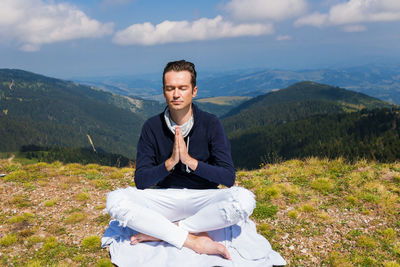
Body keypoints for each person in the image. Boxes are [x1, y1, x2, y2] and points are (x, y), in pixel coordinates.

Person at [106, 60, 256, 260]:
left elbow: (228, 177)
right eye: (170, 88)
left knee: (244, 200)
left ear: (194, 91)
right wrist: (170, 163)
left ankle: (163, 231)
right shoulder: (152, 126)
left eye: (182, 88)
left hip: (204, 199)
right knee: (115, 201)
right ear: (164, 92)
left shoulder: (211, 123)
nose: (176, 94)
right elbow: (141, 181)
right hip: (165, 198)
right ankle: (192, 240)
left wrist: (189, 161)